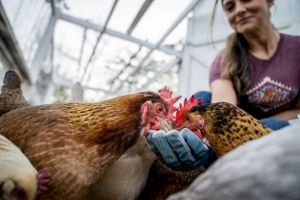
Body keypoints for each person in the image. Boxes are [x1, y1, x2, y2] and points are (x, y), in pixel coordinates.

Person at [146, 0, 300, 171]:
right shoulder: (224, 60)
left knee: (276, 127)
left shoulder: (297, 48)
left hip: (278, 127)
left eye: (246, 0)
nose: (239, 10)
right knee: (202, 99)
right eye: (230, 7)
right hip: (238, 130)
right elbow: (223, 113)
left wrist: (259, 126)